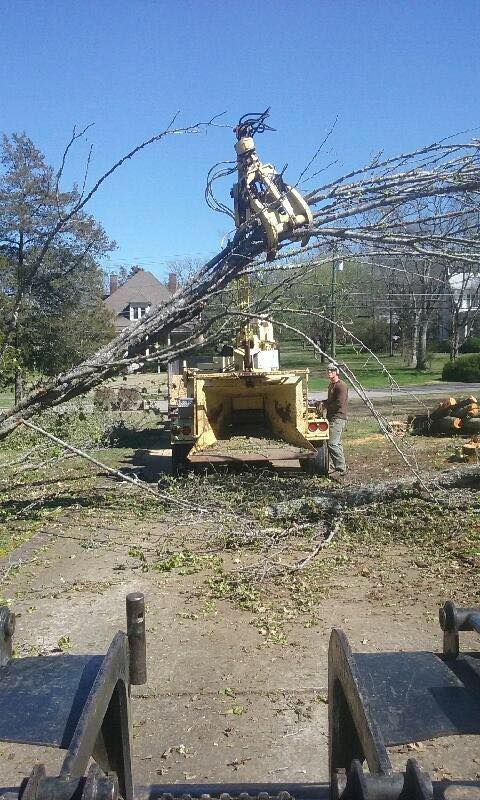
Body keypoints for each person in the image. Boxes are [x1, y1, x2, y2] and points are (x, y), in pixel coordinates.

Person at [323, 363, 348, 475]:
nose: (329, 373)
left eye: (332, 371)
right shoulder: (331, 385)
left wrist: (326, 405)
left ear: (337, 372)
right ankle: (340, 466)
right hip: (332, 417)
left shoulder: (341, 386)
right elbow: (331, 402)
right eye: (328, 370)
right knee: (337, 443)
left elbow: (339, 403)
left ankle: (341, 468)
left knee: (332, 443)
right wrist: (322, 402)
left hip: (338, 417)